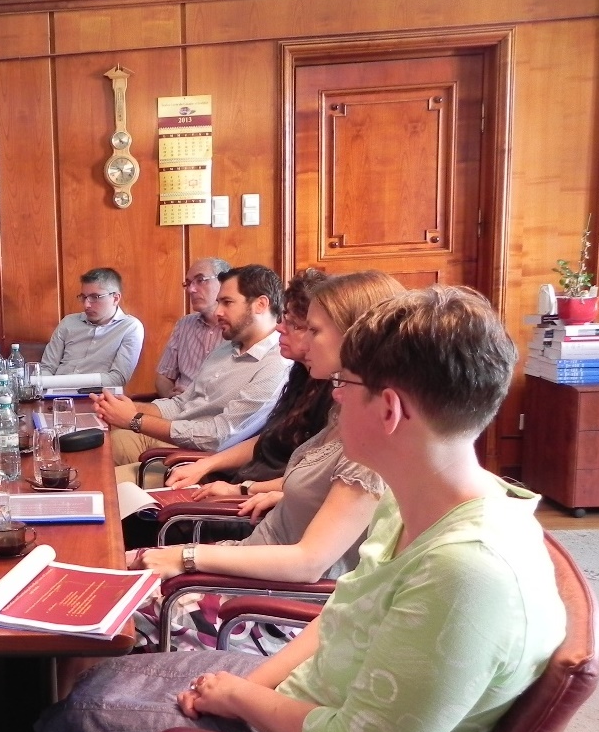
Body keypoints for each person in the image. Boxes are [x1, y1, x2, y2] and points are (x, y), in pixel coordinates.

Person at [0, 285, 565, 732]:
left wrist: (245, 701)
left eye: (345, 384)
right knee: (100, 686)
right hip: (310, 716)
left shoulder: (468, 572)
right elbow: (340, 616)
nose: (334, 396)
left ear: (390, 411)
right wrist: (251, 687)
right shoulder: (422, 504)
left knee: (91, 715)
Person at [130, 271, 404, 651]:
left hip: (271, 608)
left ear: (356, 337)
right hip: (251, 565)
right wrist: (277, 492)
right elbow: (323, 490)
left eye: (312, 329)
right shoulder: (341, 409)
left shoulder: (370, 441)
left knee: (115, 610)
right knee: (115, 570)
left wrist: (187, 556)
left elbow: (310, 563)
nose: (288, 334)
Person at [96, 265, 292, 469]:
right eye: (219, 302)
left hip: (197, 462)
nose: (218, 311)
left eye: (227, 302)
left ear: (261, 304)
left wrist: (135, 420)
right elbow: (181, 404)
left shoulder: (277, 364)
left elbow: (218, 437)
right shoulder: (225, 348)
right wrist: (124, 407)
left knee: (103, 478)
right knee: (98, 446)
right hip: (173, 438)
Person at [40, 267, 144, 388]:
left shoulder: (130, 327)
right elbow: (46, 368)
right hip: (53, 394)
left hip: (95, 395)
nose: (86, 305)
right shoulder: (68, 323)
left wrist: (63, 383)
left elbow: (117, 379)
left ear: (115, 298)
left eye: (95, 297)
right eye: (84, 297)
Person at [155, 258, 230, 397]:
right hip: (178, 406)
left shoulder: (238, 328)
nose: (191, 289)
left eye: (200, 280)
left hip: (217, 406)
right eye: (188, 283)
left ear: (223, 282)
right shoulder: (184, 324)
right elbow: (163, 377)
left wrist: (195, 401)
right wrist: (171, 397)